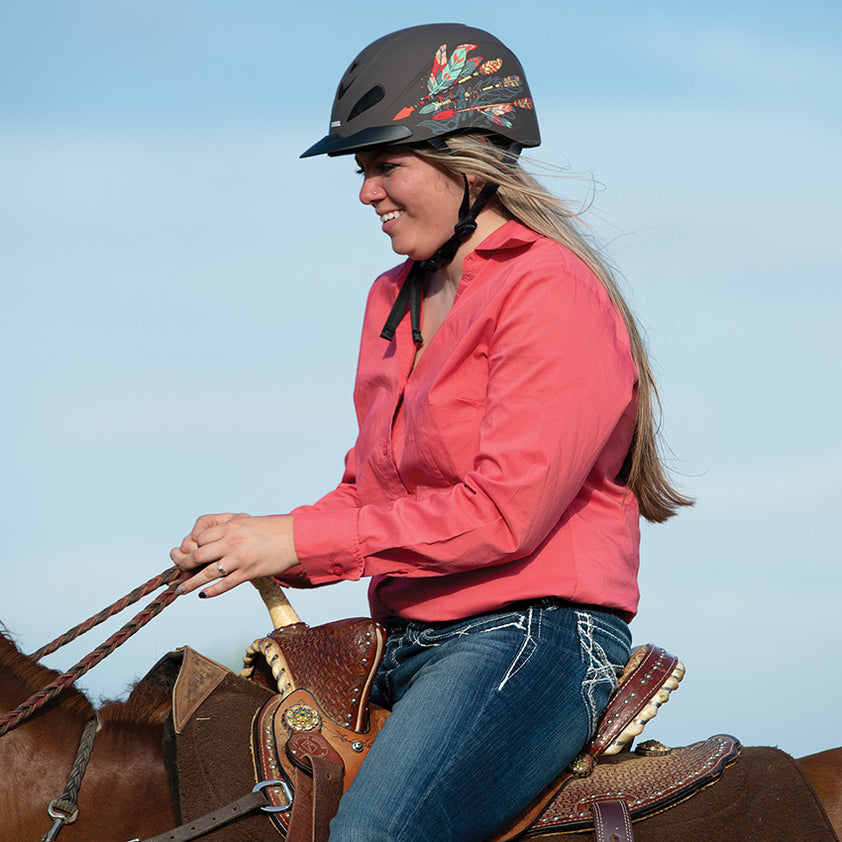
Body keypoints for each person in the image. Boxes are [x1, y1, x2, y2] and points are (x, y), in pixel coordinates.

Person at [171, 23, 692, 842]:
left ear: (467, 164)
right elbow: (368, 492)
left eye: (387, 166)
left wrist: (295, 541)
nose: (366, 192)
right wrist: (253, 541)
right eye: (362, 170)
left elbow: (501, 515)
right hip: (408, 632)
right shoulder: (394, 296)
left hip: (531, 635)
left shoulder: (550, 292)